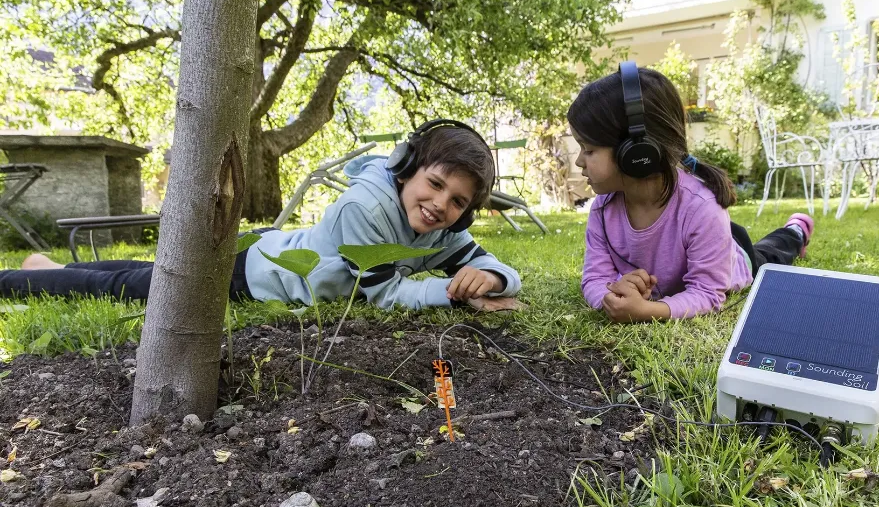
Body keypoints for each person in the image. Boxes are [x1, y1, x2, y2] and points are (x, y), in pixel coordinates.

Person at [1, 120, 522, 311]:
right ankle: (23, 280)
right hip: (255, 275)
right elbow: (386, 294)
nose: (440, 205)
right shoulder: (365, 206)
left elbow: (494, 268)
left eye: (458, 201)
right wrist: (457, 296)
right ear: (407, 170)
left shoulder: (442, 227)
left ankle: (48, 268)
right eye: (434, 184)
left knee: (148, 274)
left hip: (270, 246)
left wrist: (492, 275)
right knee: (140, 287)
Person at [570, 62, 814, 323]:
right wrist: (610, 297)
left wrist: (648, 311)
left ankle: (796, 231)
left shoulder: (702, 208)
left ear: (636, 152)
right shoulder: (603, 209)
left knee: (770, 256)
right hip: (708, 236)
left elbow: (708, 293)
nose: (578, 161)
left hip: (734, 257)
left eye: (589, 149)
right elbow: (596, 279)